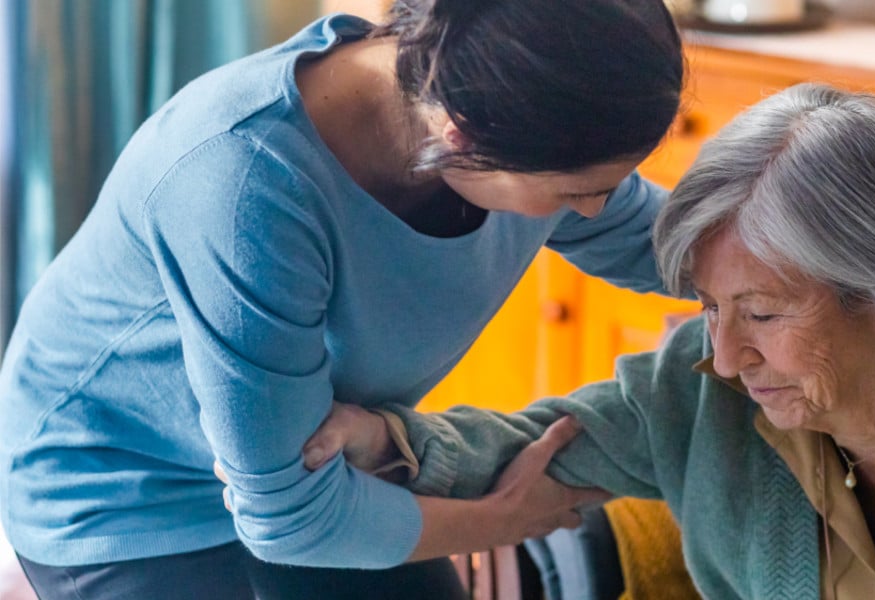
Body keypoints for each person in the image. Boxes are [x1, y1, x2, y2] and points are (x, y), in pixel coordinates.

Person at [0, 0, 684, 597]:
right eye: (575, 192)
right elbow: (290, 521)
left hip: (316, 466)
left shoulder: (504, 114)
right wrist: (504, 520)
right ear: (465, 138)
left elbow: (677, 248)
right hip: (124, 487)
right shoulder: (243, 186)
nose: (597, 213)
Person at [304, 83, 875, 599]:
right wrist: (381, 441)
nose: (729, 356)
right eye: (710, 307)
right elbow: (544, 444)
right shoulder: (702, 387)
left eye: (765, 313)